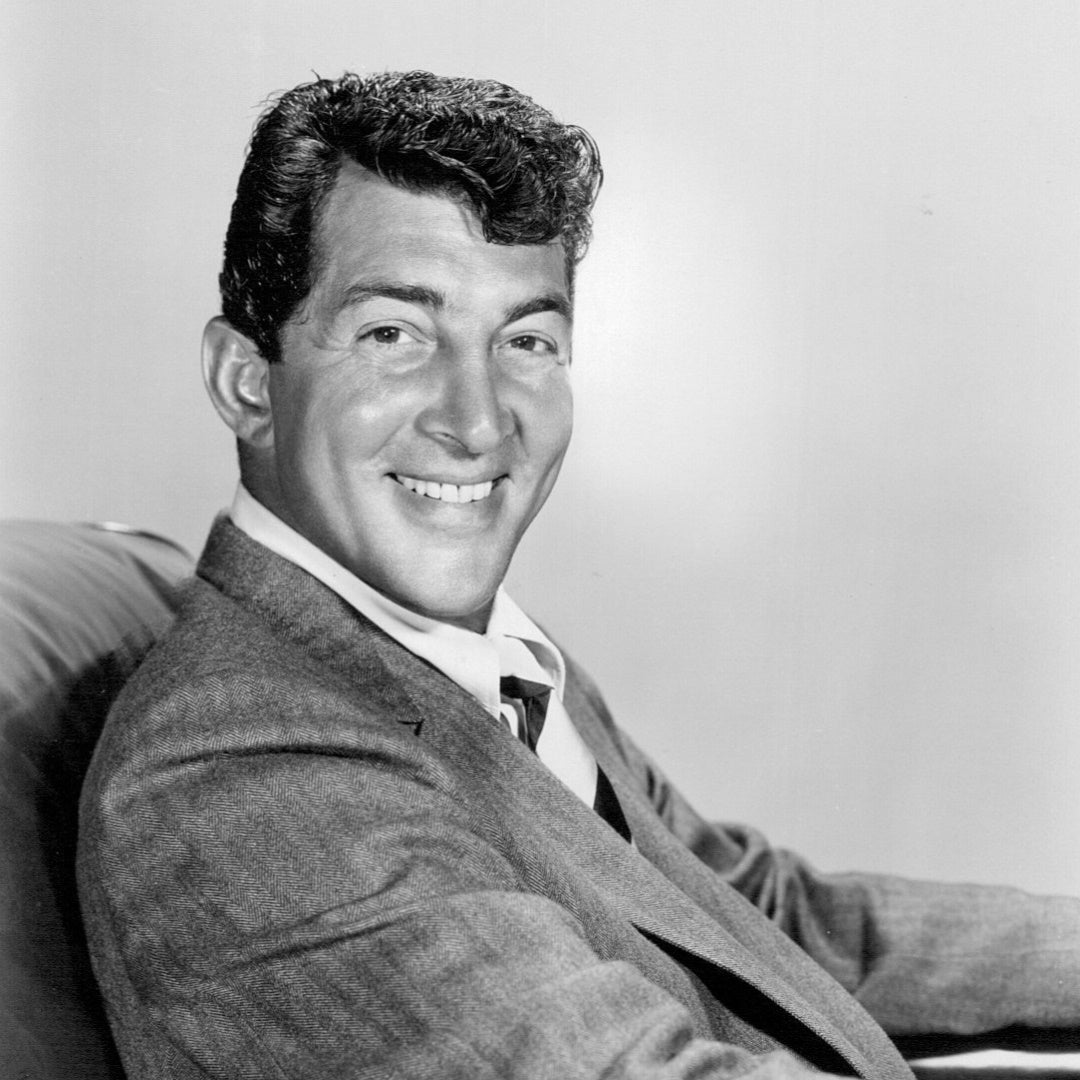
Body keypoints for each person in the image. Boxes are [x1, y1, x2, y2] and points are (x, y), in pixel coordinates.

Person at [77, 70, 1080, 1080]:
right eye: (395, 335)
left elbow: (757, 921)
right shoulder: (244, 760)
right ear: (246, 381)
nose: (476, 423)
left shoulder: (481, 658)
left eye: (525, 340)